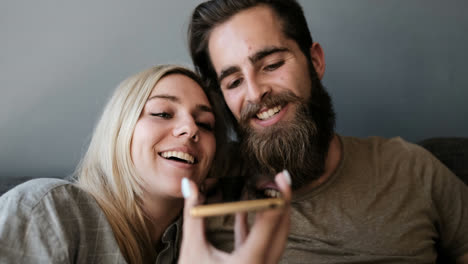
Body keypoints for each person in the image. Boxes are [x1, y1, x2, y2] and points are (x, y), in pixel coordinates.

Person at [187, 0, 468, 263]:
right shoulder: (204, 206)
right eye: (234, 82)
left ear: (316, 62)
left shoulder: (410, 167)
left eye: (272, 65)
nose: (255, 93)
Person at [0, 65, 292, 264]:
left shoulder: (209, 247)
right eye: (163, 113)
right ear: (119, 130)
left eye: (205, 124)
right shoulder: (47, 209)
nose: (191, 129)